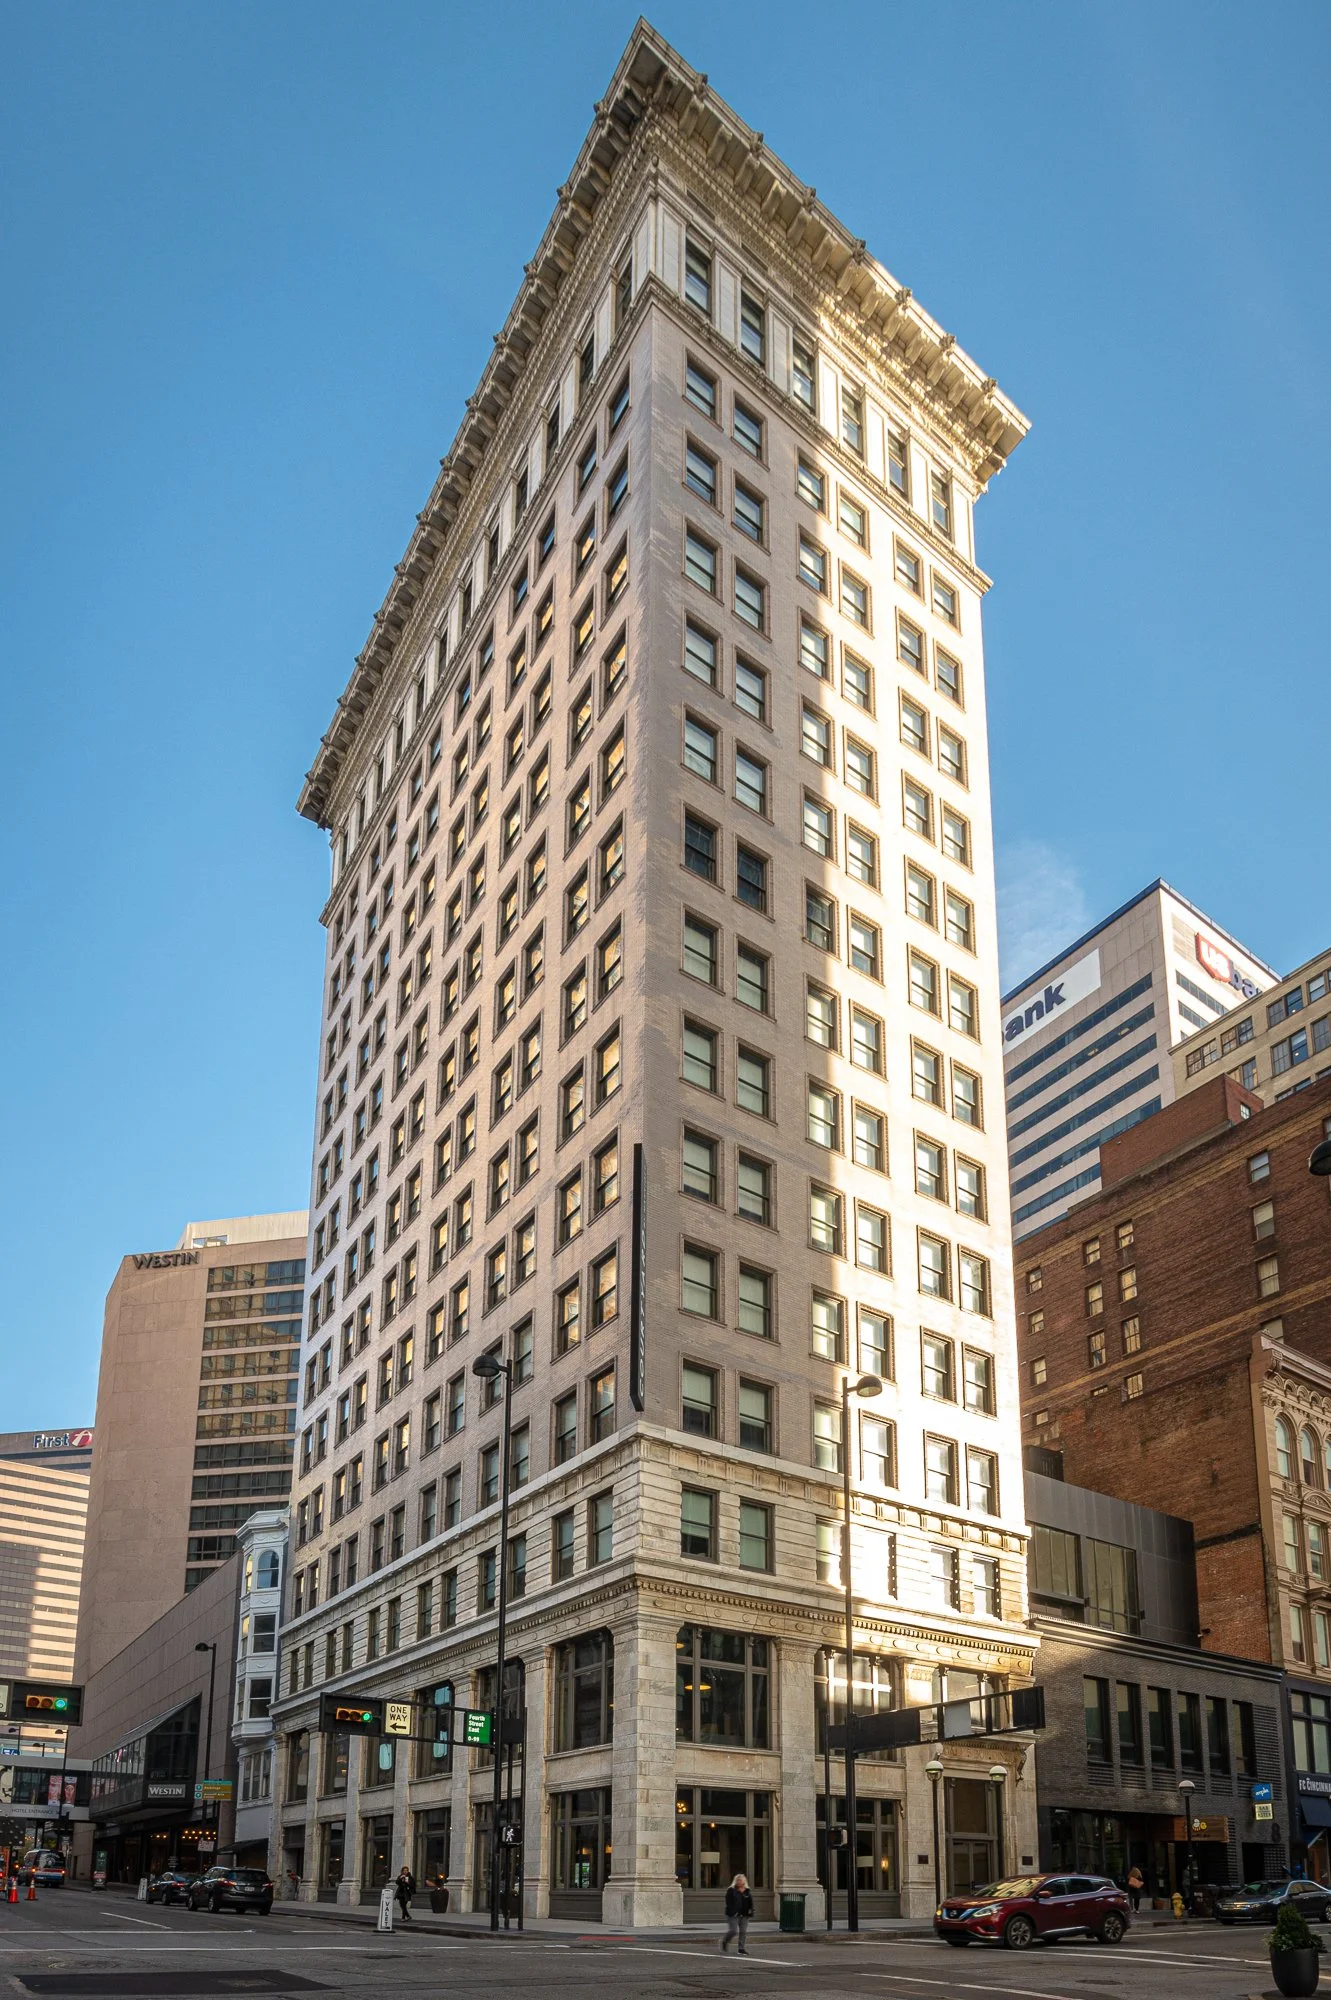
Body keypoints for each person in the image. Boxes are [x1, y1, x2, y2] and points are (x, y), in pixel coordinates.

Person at [721, 1872, 753, 1954]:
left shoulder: (747, 1891)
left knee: (743, 1932)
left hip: (744, 1914)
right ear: (735, 1881)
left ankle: (741, 1948)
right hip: (733, 1914)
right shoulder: (731, 1890)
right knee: (733, 1931)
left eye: (741, 1880)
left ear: (744, 1881)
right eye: (738, 1880)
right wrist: (733, 1911)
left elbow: (750, 1902)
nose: (739, 1882)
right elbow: (728, 1902)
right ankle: (725, 1941)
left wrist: (751, 1911)